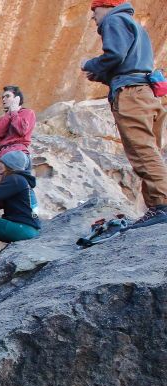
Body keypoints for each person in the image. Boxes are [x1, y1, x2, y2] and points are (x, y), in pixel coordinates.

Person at [81, 0, 167, 229]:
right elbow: (128, 62)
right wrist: (99, 74)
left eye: (94, 10)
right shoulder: (133, 24)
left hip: (131, 95)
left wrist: (89, 64)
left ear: (106, 6)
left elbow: (115, 55)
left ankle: (162, 205)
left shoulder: (113, 19)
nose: (93, 17)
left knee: (142, 151)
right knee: (151, 150)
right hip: (146, 92)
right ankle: (157, 206)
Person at [0, 85, 36, 170]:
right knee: (8, 182)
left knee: (15, 181)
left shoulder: (27, 113)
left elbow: (22, 130)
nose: (3, 99)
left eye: (7, 96)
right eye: (2, 97)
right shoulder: (2, 118)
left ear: (17, 99)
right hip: (4, 155)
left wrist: (14, 112)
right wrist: (9, 114)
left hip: (18, 153)